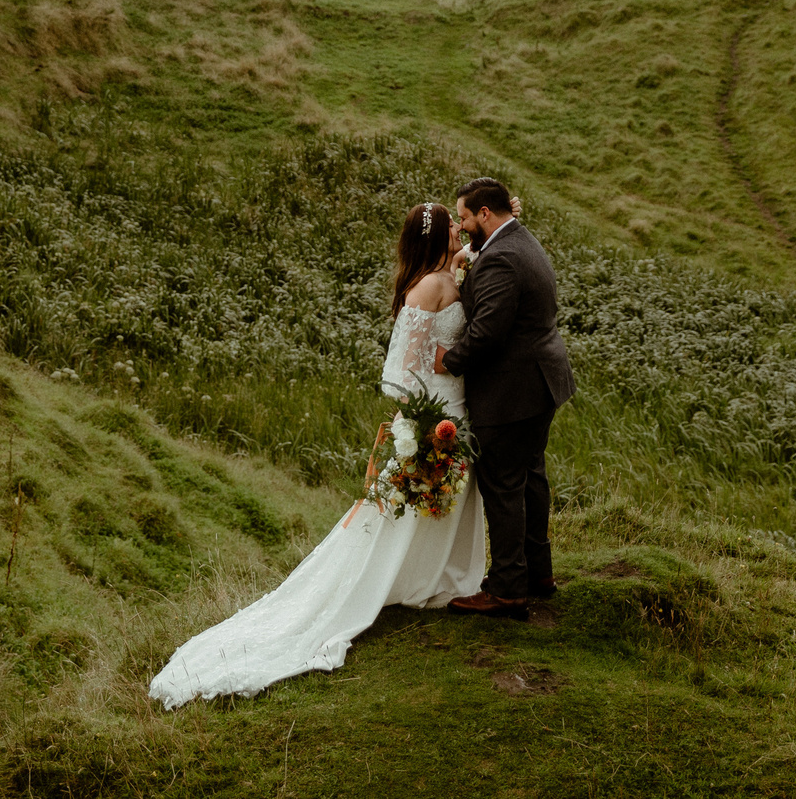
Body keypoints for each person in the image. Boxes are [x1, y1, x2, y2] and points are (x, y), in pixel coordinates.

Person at [146, 202, 487, 707]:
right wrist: (425, 406)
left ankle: (431, 576)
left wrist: (461, 267)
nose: (462, 234)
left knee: (424, 505)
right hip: (437, 406)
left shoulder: (439, 276)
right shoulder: (432, 286)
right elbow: (407, 363)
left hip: (449, 403)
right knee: (409, 507)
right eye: (455, 229)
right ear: (441, 237)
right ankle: (412, 581)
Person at [436, 176, 576, 616]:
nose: (460, 226)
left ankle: (507, 588)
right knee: (531, 476)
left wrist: (448, 361)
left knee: (503, 485)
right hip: (542, 380)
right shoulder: (518, 239)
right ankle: (538, 572)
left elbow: (487, 334)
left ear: (484, 214)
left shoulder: (500, 259)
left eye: (463, 217)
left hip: (514, 389)